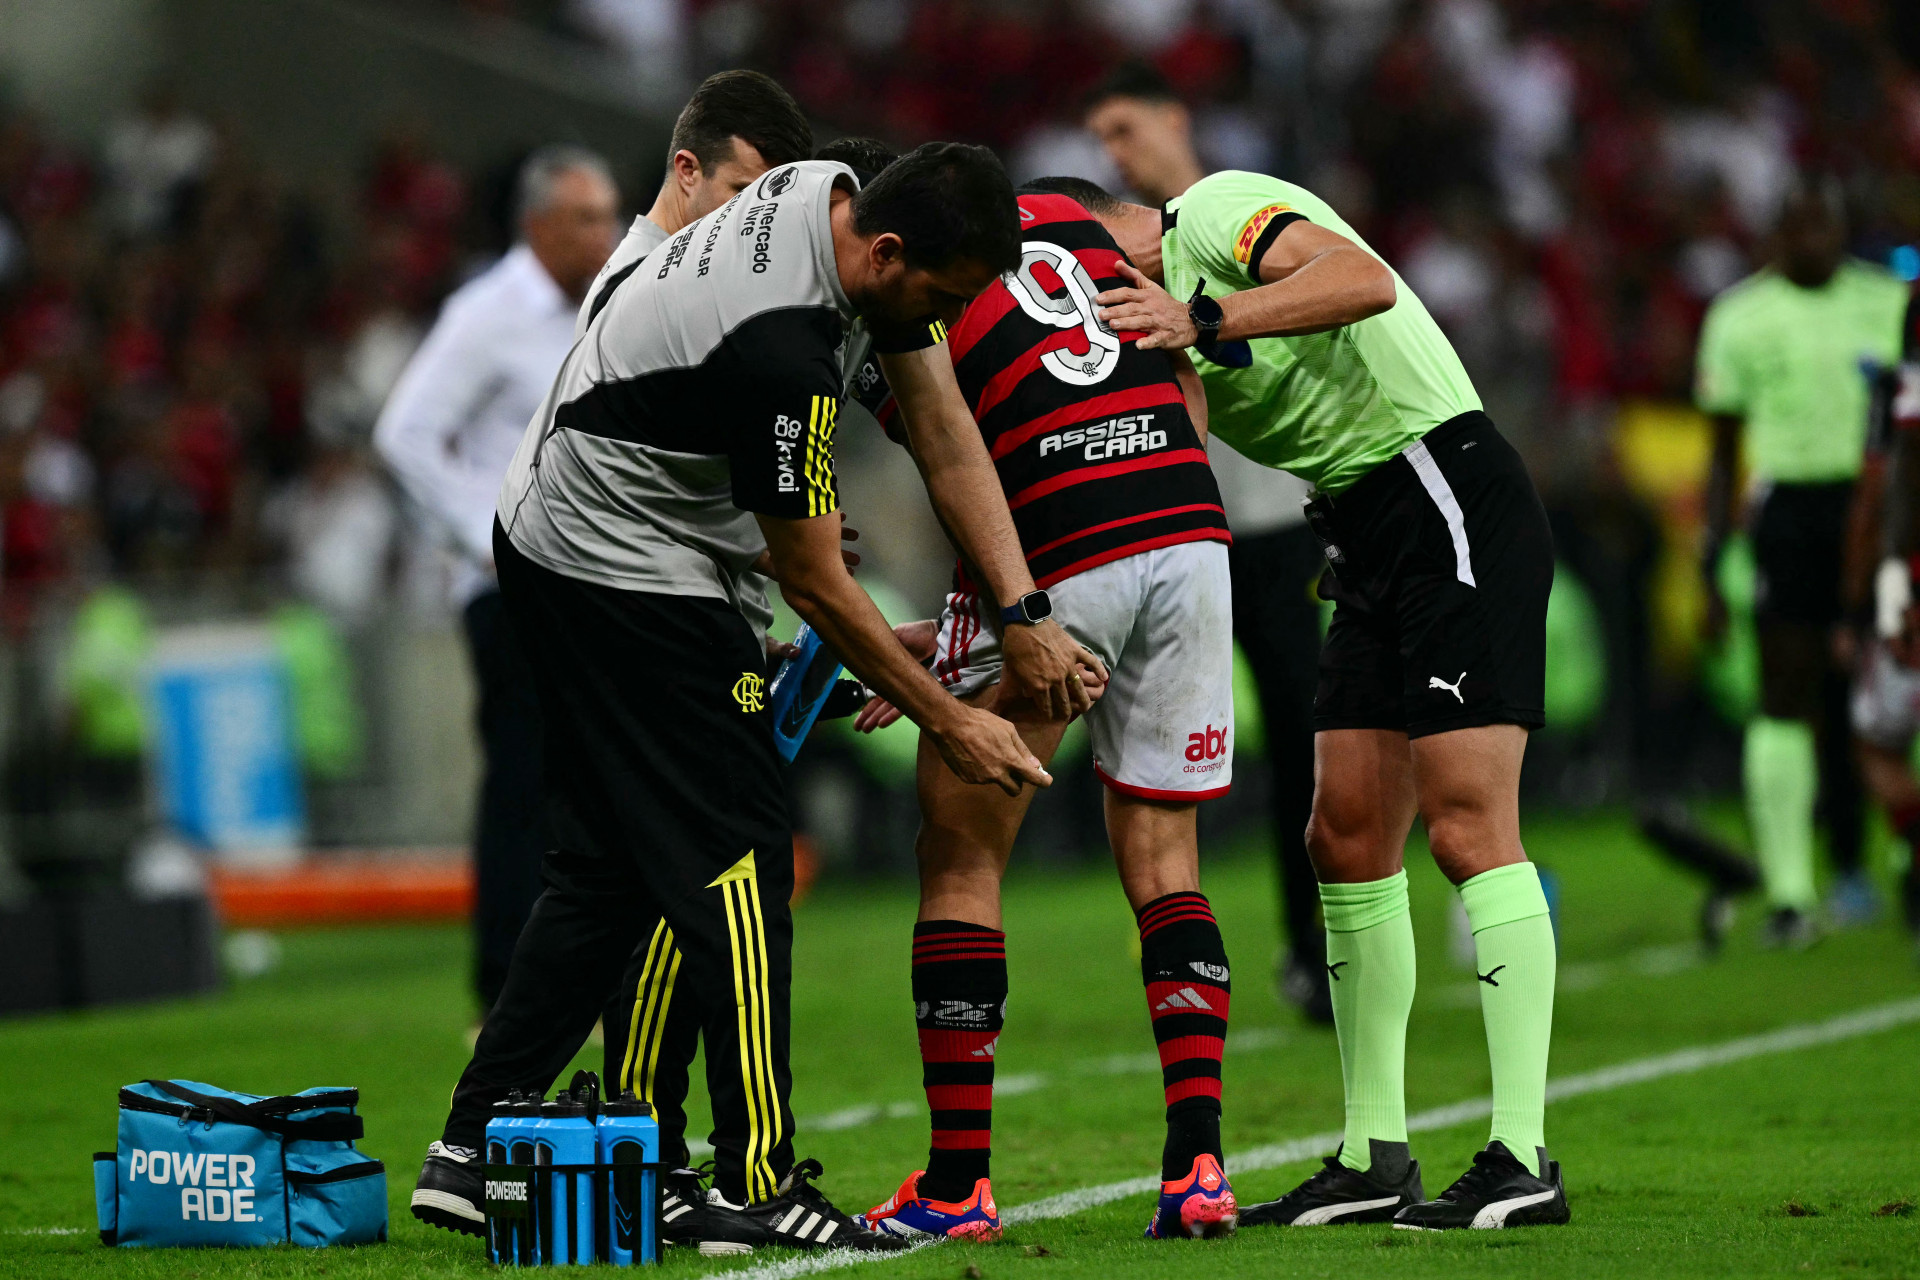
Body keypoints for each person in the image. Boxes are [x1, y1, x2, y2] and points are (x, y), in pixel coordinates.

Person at [409, 144, 1105, 1255]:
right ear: (883, 252)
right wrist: (950, 712)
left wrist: (1021, 615)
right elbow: (816, 579)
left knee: (602, 866)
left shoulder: (828, 187)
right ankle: (758, 1179)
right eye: (942, 295)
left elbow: (939, 424)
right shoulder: (783, 345)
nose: (944, 318)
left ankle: (477, 1136)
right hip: (620, 560)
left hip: (565, 535)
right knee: (739, 863)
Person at [1051, 172, 1569, 1230]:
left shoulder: (1215, 211)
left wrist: (1198, 312)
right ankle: (1373, 1150)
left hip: (1443, 487)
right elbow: (1179, 441)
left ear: (1106, 226)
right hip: (1361, 531)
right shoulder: (1151, 341)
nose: (1078, 291)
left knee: (1469, 827)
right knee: (1342, 834)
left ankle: (1523, 1152)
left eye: (1076, 261)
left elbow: (1364, 279)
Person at [845, 183, 1239, 1244]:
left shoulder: (889, 287)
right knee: (1166, 855)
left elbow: (953, 457)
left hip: (1058, 544)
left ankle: (958, 1183)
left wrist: (978, 625)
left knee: (962, 851)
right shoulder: (1064, 210)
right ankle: (1198, 1168)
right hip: (1190, 525)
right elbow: (1177, 372)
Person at [1085, 61, 1332, 1024]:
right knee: (1142, 746)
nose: (1115, 151)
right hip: (1162, 532)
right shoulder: (1102, 251)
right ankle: (1178, 960)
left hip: (1266, 526)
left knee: (1306, 743)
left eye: (1122, 127)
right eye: (1101, 140)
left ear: (1172, 117)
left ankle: (1315, 954)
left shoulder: (1237, 216)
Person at [374, 145, 619, 1013]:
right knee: (523, 783)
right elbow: (404, 432)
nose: (609, 231)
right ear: (538, 225)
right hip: (512, 591)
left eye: (610, 214)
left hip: (586, 583)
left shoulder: (602, 302)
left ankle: (575, 985)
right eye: (588, 217)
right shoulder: (487, 314)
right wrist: (489, 536)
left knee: (583, 783)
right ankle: (504, 990)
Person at [1698, 175, 1910, 947]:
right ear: (1776, 236)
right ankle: (1792, 893)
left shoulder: (1888, 302)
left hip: (1882, 511)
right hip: (1788, 516)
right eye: (1798, 226)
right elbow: (1721, 454)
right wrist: (1711, 559)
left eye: (1825, 224)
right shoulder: (1737, 317)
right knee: (1786, 692)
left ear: (1842, 228)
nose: (1813, 240)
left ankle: (1899, 857)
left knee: (1895, 681)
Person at [577, 70, 813, 338]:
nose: (760, 218)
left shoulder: (696, 279)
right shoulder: (641, 292)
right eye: (743, 193)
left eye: (774, 203)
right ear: (688, 171)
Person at [1846, 289, 1920, 958]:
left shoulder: (1900, 392)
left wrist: (1878, 591)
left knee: (1877, 738)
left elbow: (1882, 491)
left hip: (1913, 588)